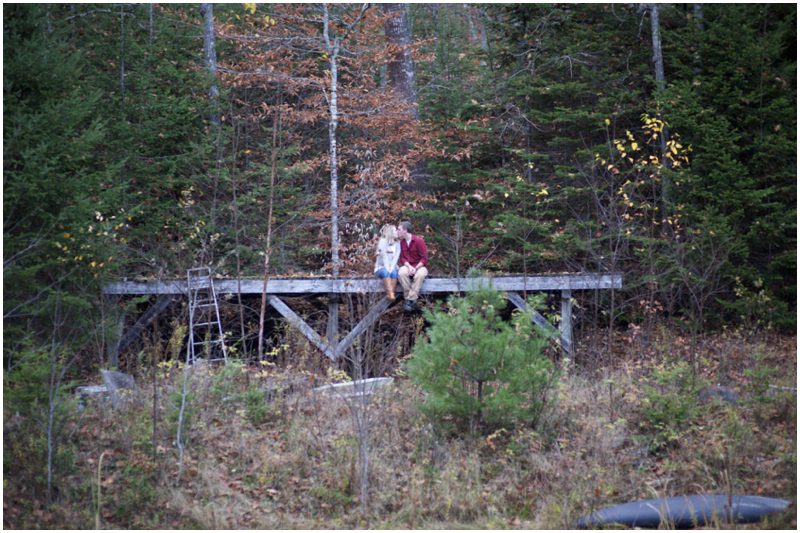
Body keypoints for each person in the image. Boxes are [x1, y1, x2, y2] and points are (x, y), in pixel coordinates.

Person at [396, 220, 428, 312]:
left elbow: (424, 258)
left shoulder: (418, 241)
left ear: (405, 231)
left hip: (420, 266)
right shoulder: (401, 243)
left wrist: (415, 268)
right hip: (408, 266)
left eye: (399, 229)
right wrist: (409, 267)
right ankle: (411, 300)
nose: (397, 231)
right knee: (401, 272)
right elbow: (402, 259)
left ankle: (409, 300)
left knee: (420, 275)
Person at [374, 224, 400, 301]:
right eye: (395, 230)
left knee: (394, 273)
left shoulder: (398, 243)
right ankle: (391, 294)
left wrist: (391, 267)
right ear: (390, 232)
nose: (397, 232)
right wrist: (387, 267)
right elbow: (384, 257)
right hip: (381, 267)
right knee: (386, 272)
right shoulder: (382, 242)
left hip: (393, 266)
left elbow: (396, 258)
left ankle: (390, 295)